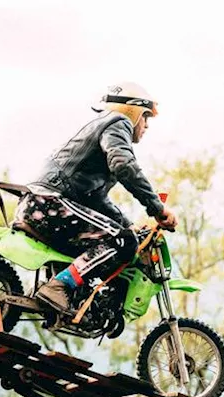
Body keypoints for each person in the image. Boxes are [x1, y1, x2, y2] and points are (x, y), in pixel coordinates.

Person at [18, 82, 177, 314]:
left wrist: (129, 225)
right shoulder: (118, 123)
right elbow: (124, 165)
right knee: (122, 241)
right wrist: (158, 209)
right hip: (49, 201)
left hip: (41, 204)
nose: (147, 126)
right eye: (146, 118)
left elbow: (96, 200)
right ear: (133, 111)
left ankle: (78, 301)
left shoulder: (99, 143)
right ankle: (59, 286)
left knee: (122, 235)